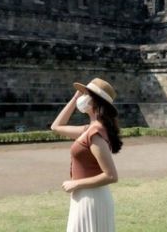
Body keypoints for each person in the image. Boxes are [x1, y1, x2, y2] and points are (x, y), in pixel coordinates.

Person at [50, 77, 123, 232]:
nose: (82, 97)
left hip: (92, 197)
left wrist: (76, 184)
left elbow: (111, 175)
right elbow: (56, 126)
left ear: (96, 102)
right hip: (85, 196)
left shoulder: (95, 133)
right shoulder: (89, 130)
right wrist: (75, 98)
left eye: (86, 94)